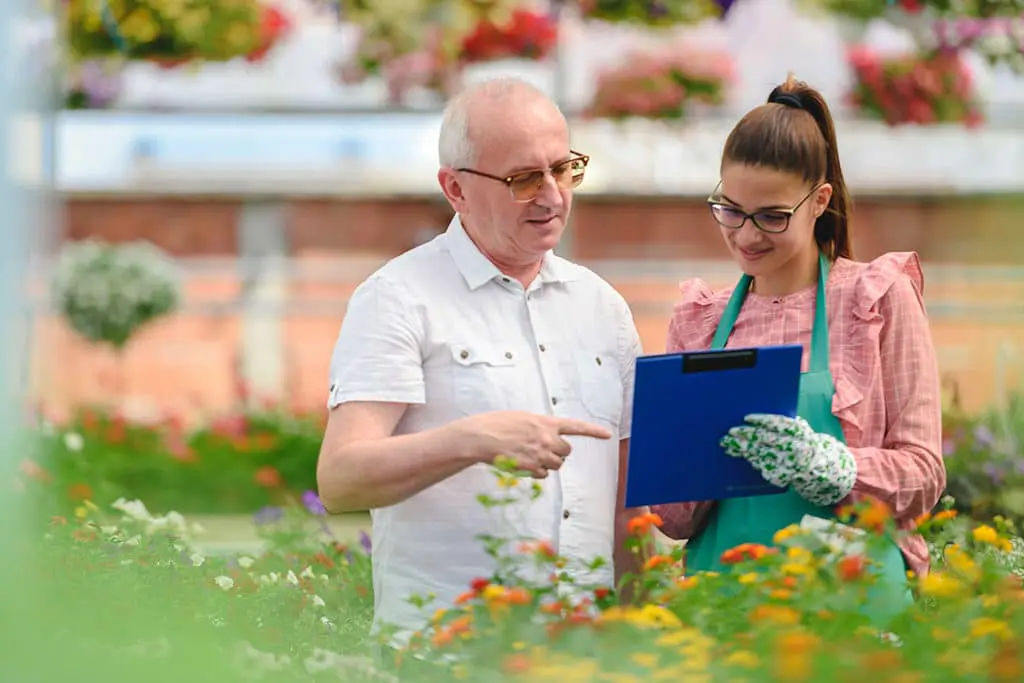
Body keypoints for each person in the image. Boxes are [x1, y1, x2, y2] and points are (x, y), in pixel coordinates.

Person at [316, 78, 644, 655]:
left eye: (564, 169)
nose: (553, 196)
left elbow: (626, 505)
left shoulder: (604, 307)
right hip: (446, 654)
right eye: (523, 179)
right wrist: (472, 439)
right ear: (455, 188)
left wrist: (639, 636)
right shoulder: (398, 296)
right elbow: (341, 478)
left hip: (586, 653)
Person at [651, 75, 946, 626]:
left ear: (820, 201)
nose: (745, 235)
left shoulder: (877, 300)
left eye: (772, 216)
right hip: (724, 613)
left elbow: (924, 473)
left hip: (850, 614)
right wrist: (682, 467)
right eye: (729, 209)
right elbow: (674, 521)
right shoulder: (699, 322)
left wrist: (831, 468)